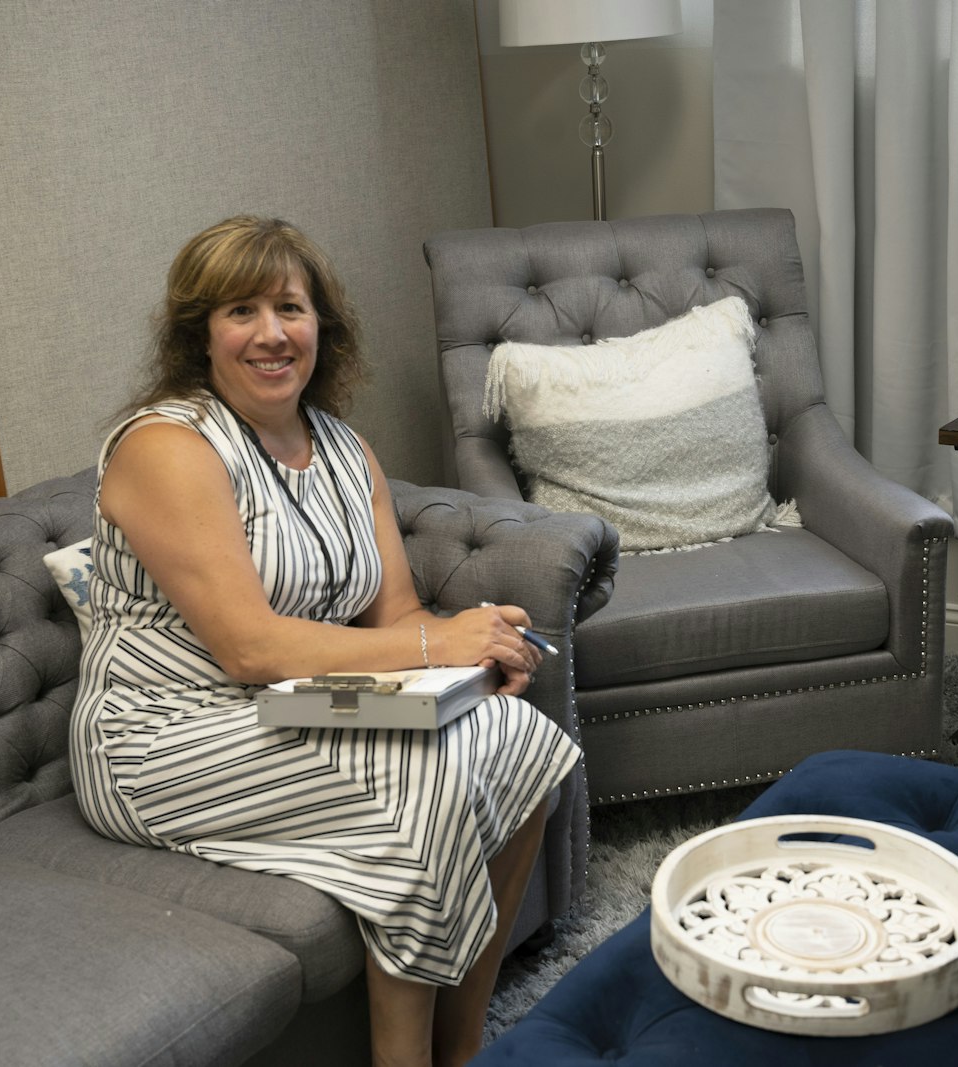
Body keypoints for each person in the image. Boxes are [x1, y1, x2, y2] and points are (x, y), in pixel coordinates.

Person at [69, 215, 581, 1067]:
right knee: (428, 783)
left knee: (524, 740)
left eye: (290, 307)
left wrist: (480, 638)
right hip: (163, 736)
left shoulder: (344, 448)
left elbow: (398, 619)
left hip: (294, 705)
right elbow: (250, 649)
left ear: (322, 327)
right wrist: (436, 648)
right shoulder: (166, 445)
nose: (271, 333)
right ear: (200, 335)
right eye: (241, 311)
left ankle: (462, 1049)